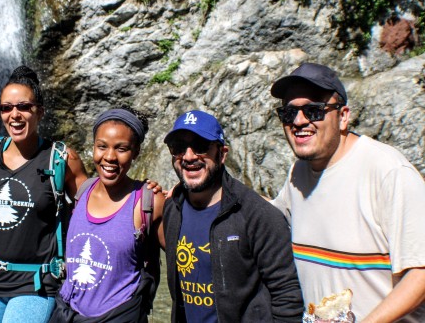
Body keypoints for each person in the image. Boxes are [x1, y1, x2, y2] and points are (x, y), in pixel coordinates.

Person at [270, 62, 425, 321]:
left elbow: (420, 275)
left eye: (314, 111)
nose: (298, 121)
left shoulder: (389, 173)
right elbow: (267, 215)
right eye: (289, 113)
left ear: (343, 117)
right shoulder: (298, 174)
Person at [0, 66, 88, 323]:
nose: (15, 115)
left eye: (24, 106)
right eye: (6, 108)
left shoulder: (63, 159)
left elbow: (92, 207)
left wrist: (141, 192)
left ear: (40, 111)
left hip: (35, 283)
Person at [162, 110, 304, 322]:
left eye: (201, 146)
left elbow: (287, 296)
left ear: (222, 153)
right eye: (179, 148)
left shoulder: (258, 215)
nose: (189, 156)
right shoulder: (173, 208)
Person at [51, 106, 165, 322]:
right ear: (93, 147)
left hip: (118, 316)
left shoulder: (148, 201)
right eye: (102, 146)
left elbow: (187, 257)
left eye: (121, 149)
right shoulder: (81, 191)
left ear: (136, 152)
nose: (109, 157)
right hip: (67, 312)